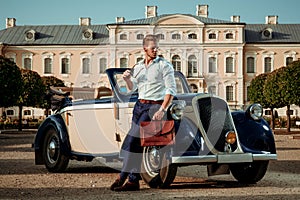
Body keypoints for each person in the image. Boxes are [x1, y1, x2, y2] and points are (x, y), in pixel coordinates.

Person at [110, 34, 177, 191]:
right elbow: (132, 88)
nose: (155, 50)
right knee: (137, 143)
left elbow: (171, 90)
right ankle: (133, 181)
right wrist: (127, 78)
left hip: (154, 107)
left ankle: (122, 176)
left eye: (156, 47)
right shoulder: (138, 67)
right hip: (139, 106)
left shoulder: (164, 66)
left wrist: (162, 109)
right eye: (152, 48)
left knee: (132, 140)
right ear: (144, 48)